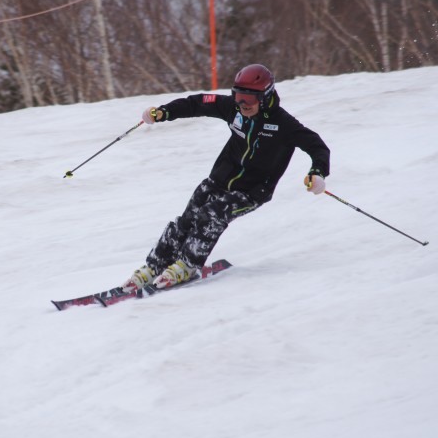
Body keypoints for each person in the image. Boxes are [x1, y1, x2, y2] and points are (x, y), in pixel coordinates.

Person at [123, 63, 330, 291]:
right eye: (238, 97)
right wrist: (165, 112)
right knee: (187, 219)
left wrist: (317, 173)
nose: (242, 104)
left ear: (265, 97)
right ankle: (154, 267)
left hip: (252, 191)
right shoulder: (233, 108)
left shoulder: (283, 124)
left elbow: (318, 147)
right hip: (219, 179)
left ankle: (188, 265)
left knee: (211, 216)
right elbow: (198, 103)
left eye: (249, 99)